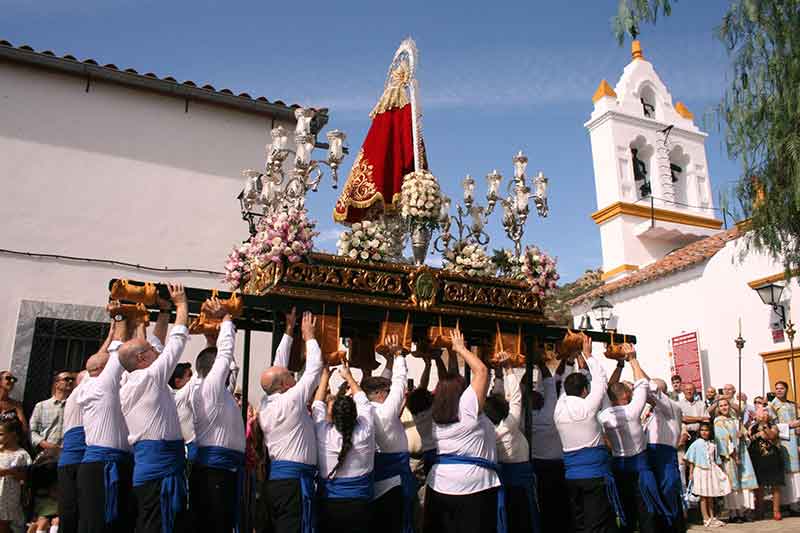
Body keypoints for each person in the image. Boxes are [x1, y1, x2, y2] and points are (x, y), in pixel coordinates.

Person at [118, 282, 190, 533]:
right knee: (155, 525)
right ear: (141, 359)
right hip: (159, 470)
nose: (155, 351)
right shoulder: (148, 378)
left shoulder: (129, 378)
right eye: (150, 351)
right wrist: (181, 305)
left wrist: (164, 312)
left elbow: (158, 344)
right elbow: (175, 344)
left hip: (154, 467)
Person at [424, 329, 501, 533]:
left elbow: (446, 385)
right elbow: (482, 372)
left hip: (439, 483)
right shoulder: (466, 410)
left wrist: (444, 359)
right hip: (473, 485)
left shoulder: (437, 416)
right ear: (462, 393)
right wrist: (460, 349)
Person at [260, 309, 323, 533]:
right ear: (285, 385)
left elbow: (277, 366)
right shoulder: (290, 401)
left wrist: (289, 331)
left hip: (279, 481)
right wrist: (309, 336)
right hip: (293, 484)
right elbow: (315, 369)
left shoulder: (267, 402)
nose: (293, 375)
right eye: (289, 375)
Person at [76, 305, 136, 533]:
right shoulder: (103, 384)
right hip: (102, 466)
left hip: (115, 462)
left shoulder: (87, 383)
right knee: (97, 525)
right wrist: (120, 316)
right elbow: (119, 350)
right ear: (103, 368)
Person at [189, 298, 246, 533]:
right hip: (215, 471)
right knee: (215, 524)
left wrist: (209, 338)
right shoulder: (210, 387)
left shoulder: (209, 388)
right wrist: (225, 318)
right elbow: (225, 354)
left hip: (222, 469)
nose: (228, 369)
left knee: (218, 522)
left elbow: (226, 365)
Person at [554, 333, 620, 533]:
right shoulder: (587, 407)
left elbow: (567, 384)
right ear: (584, 391)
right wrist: (588, 355)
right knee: (597, 523)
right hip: (593, 475)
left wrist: (571, 359)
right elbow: (600, 381)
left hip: (572, 476)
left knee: (582, 521)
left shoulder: (559, 408)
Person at [599, 347, 669, 533]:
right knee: (646, 510)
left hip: (619, 466)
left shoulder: (605, 415)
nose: (630, 394)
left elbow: (608, 391)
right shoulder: (632, 410)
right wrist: (633, 360)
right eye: (628, 392)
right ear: (624, 396)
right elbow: (642, 384)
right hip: (639, 468)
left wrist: (620, 365)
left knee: (626, 511)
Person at [313, 360, 376, 533]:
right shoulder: (365, 429)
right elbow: (363, 401)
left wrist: (325, 375)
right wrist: (349, 376)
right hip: (360, 504)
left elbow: (317, 405)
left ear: (331, 415)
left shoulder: (322, 432)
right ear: (355, 415)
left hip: (329, 505)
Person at [361, 334, 414, 533]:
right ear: (381, 394)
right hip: (393, 483)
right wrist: (399, 355)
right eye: (386, 390)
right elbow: (400, 384)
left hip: (374, 480)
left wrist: (390, 362)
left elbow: (386, 383)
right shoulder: (385, 412)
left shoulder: (362, 408)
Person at [485, 366, 539, 533]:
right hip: (520, 479)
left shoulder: (487, 430)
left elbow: (498, 401)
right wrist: (508, 369)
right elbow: (516, 398)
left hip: (502, 478)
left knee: (507, 518)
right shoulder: (508, 426)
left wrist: (499, 376)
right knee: (524, 518)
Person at [528, 358, 571, 533]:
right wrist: (541, 362)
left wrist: (535, 364)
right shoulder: (548, 415)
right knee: (560, 502)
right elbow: (550, 387)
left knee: (543, 501)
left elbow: (545, 385)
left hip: (537, 465)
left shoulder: (526, 417)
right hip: (556, 465)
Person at [646, 378, 686, 532]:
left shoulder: (673, 407)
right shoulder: (649, 411)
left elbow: (652, 387)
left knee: (668, 494)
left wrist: (633, 361)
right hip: (650, 455)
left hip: (665, 458)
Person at [713, 397, 757, 522]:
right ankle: (733, 513)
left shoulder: (735, 420)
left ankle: (742, 511)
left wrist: (742, 434)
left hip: (742, 453)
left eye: (725, 405)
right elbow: (722, 439)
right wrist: (733, 455)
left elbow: (746, 436)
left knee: (743, 483)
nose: (724, 408)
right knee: (733, 484)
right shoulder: (718, 421)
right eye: (721, 406)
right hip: (730, 456)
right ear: (718, 409)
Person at [685, 422, 731, 528]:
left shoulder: (713, 444)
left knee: (711, 495)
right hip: (700, 471)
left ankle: (712, 516)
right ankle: (705, 518)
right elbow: (692, 458)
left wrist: (720, 470)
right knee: (703, 496)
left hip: (711, 470)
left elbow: (716, 459)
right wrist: (691, 473)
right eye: (702, 430)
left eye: (706, 430)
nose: (704, 432)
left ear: (710, 432)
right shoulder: (696, 443)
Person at [768, 380, 800, 514]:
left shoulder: (792, 404)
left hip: (795, 439)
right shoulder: (772, 406)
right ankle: (787, 502)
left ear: (786, 389)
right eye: (777, 388)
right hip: (782, 440)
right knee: (786, 471)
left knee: (796, 471)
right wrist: (790, 425)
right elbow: (772, 425)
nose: (779, 390)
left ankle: (796, 502)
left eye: (781, 388)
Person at [748, 406, 784, 520]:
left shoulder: (773, 426)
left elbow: (773, 436)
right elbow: (749, 438)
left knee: (775, 485)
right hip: (758, 459)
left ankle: (776, 511)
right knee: (759, 487)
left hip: (772, 458)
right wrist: (758, 434)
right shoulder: (752, 427)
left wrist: (765, 428)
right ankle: (760, 511)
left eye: (764, 413)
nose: (762, 415)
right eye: (760, 414)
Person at [0, 417, 30, 533]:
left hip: (8, 496)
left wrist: (9, 472)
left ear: (13, 434)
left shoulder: (21, 455)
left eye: (1, 434)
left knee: (4, 525)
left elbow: (24, 477)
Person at [678, 383, 708, 450]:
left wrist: (688, 419)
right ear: (683, 391)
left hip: (699, 435)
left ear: (694, 391)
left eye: (691, 389)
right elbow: (682, 418)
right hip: (686, 436)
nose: (689, 391)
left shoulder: (701, 404)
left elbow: (706, 419)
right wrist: (699, 418)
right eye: (687, 389)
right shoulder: (679, 405)